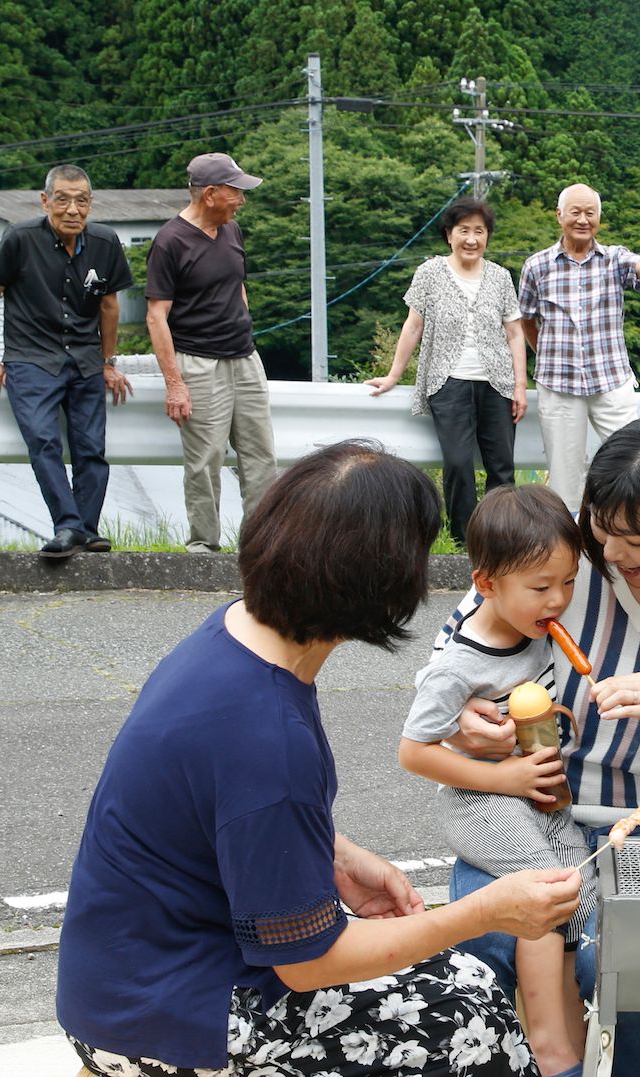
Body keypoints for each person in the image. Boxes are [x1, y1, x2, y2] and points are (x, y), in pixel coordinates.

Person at [56, 440, 580, 1077]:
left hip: (123, 974)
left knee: (469, 981)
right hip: (173, 1013)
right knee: (471, 1026)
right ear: (380, 583)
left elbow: (218, 812)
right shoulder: (268, 735)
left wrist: (333, 852)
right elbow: (310, 961)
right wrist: (484, 911)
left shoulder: (231, 637)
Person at [435, 417, 640, 1075]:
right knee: (488, 943)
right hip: (526, 804)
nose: (612, 552)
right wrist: (464, 722)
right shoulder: (563, 558)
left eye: (638, 536)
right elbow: (456, 656)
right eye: (602, 528)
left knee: (620, 961)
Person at [400, 485, 592, 1077]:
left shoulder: (530, 624)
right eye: (541, 588)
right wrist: (506, 777)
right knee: (541, 888)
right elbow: (413, 752)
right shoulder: (458, 664)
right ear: (486, 585)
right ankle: (546, 1042)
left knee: (579, 878)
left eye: (568, 582)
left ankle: (573, 1038)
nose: (558, 599)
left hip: (537, 798)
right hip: (481, 801)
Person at [0, 164, 133, 560]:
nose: (72, 210)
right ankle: (68, 525)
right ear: (46, 201)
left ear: (91, 204)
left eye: (82, 201)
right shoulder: (20, 238)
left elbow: (110, 306)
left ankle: (86, 529)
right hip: (31, 358)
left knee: (91, 448)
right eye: (62, 200)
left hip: (85, 359)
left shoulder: (105, 241)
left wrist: (108, 362)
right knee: (43, 442)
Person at [366, 198, 528, 544]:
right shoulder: (430, 273)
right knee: (457, 463)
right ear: (449, 235)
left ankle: (501, 540)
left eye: (479, 232)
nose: (472, 239)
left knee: (502, 467)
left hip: (497, 384)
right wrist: (395, 375)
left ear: (488, 237)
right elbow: (413, 326)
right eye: (464, 231)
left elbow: (515, 332)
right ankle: (463, 539)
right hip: (448, 382)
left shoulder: (500, 277)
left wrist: (520, 386)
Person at [145, 151, 278, 554]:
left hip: (244, 357)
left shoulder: (232, 231)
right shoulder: (170, 242)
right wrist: (175, 384)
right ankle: (203, 545)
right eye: (236, 192)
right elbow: (156, 317)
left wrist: (244, 323)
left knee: (261, 457)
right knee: (205, 461)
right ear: (210, 194)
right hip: (199, 363)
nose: (242, 200)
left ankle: (260, 547)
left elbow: (237, 285)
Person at [517, 183, 640, 509]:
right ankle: (572, 556)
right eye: (575, 212)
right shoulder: (536, 266)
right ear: (559, 215)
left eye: (590, 213)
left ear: (599, 220)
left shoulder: (613, 258)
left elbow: (639, 266)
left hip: (611, 379)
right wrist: (546, 353)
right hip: (559, 384)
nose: (583, 219)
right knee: (565, 480)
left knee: (635, 460)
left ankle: (628, 535)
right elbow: (526, 320)